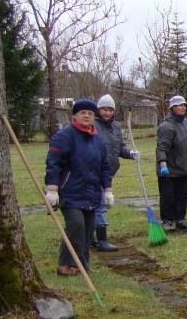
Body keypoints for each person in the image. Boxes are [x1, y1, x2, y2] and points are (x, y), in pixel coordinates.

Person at [44, 99, 113, 276]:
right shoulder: (65, 136)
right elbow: (54, 163)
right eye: (82, 113)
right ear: (75, 116)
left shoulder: (97, 138)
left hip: (91, 191)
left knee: (89, 231)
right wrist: (52, 188)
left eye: (90, 113)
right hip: (70, 191)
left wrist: (107, 189)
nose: (87, 116)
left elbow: (105, 165)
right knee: (76, 225)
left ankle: (81, 265)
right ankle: (65, 265)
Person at [92, 94, 139, 251]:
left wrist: (130, 153)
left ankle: (90, 237)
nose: (107, 113)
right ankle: (102, 240)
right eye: (104, 109)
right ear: (98, 109)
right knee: (100, 204)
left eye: (110, 110)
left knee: (96, 204)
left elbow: (120, 148)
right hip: (93, 172)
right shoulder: (92, 126)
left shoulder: (116, 127)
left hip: (109, 172)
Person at [156, 95, 187, 231]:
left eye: (184, 105)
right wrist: (162, 164)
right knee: (168, 197)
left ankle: (180, 219)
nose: (183, 107)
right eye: (179, 105)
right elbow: (161, 147)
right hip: (169, 169)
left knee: (182, 196)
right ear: (172, 108)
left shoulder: (186, 124)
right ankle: (167, 221)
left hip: (184, 167)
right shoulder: (166, 127)